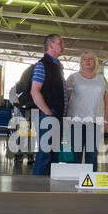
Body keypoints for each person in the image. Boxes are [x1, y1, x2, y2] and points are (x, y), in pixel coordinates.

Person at [30, 34, 67, 175]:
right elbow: (35, 91)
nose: (63, 46)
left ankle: (48, 190)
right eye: (60, 43)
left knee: (54, 155)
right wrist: (48, 112)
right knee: (45, 154)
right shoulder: (42, 65)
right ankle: (36, 191)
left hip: (57, 115)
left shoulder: (57, 65)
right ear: (51, 45)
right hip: (50, 115)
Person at [65, 51, 108, 166]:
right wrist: (65, 120)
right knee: (75, 155)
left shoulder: (102, 79)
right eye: (85, 59)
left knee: (92, 155)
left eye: (91, 59)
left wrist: (105, 121)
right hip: (76, 121)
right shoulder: (73, 78)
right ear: (81, 62)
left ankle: (91, 181)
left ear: (95, 62)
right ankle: (73, 180)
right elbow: (67, 100)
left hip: (95, 122)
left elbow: (107, 102)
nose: (88, 61)